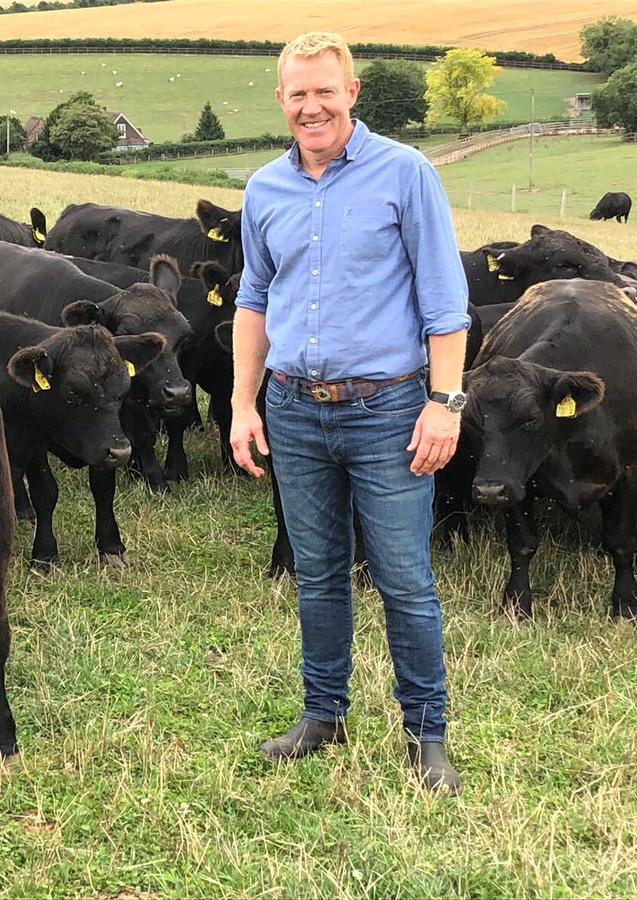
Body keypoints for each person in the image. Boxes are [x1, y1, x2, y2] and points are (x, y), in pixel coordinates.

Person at [230, 32, 469, 792]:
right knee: (319, 574)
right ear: (280, 101)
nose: (312, 107)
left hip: (389, 409)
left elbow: (446, 304)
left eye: (325, 91)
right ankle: (323, 713)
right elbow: (252, 300)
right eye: (297, 94)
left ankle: (426, 733)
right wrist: (243, 401)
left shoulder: (407, 174)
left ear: (352, 92)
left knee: (403, 577)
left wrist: (443, 403)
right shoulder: (266, 188)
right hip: (295, 409)